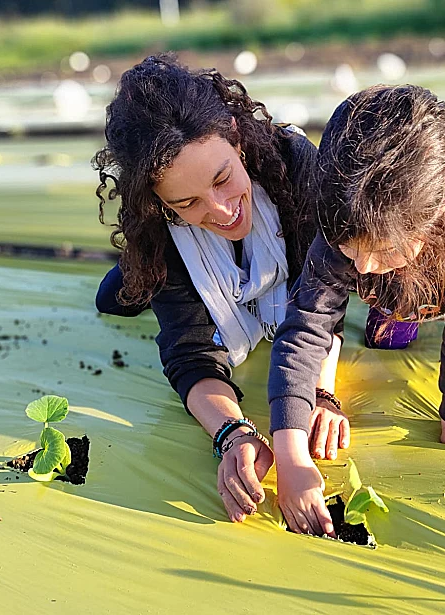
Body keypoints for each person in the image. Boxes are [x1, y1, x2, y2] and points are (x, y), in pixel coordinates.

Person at [91, 53, 351, 525]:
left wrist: (321, 394)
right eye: (188, 202)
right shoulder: (160, 233)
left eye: (223, 178)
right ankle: (129, 274)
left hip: (280, 222)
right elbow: (191, 355)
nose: (222, 209)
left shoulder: (296, 167)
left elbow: (323, 301)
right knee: (120, 295)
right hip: (158, 260)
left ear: (235, 136)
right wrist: (233, 433)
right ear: (160, 204)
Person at [267, 85, 445, 537]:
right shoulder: (344, 221)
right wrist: (291, 455)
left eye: (381, 250)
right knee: (388, 336)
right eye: (351, 251)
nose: (363, 267)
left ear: (434, 213)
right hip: (405, 290)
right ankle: (404, 302)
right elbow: (306, 327)